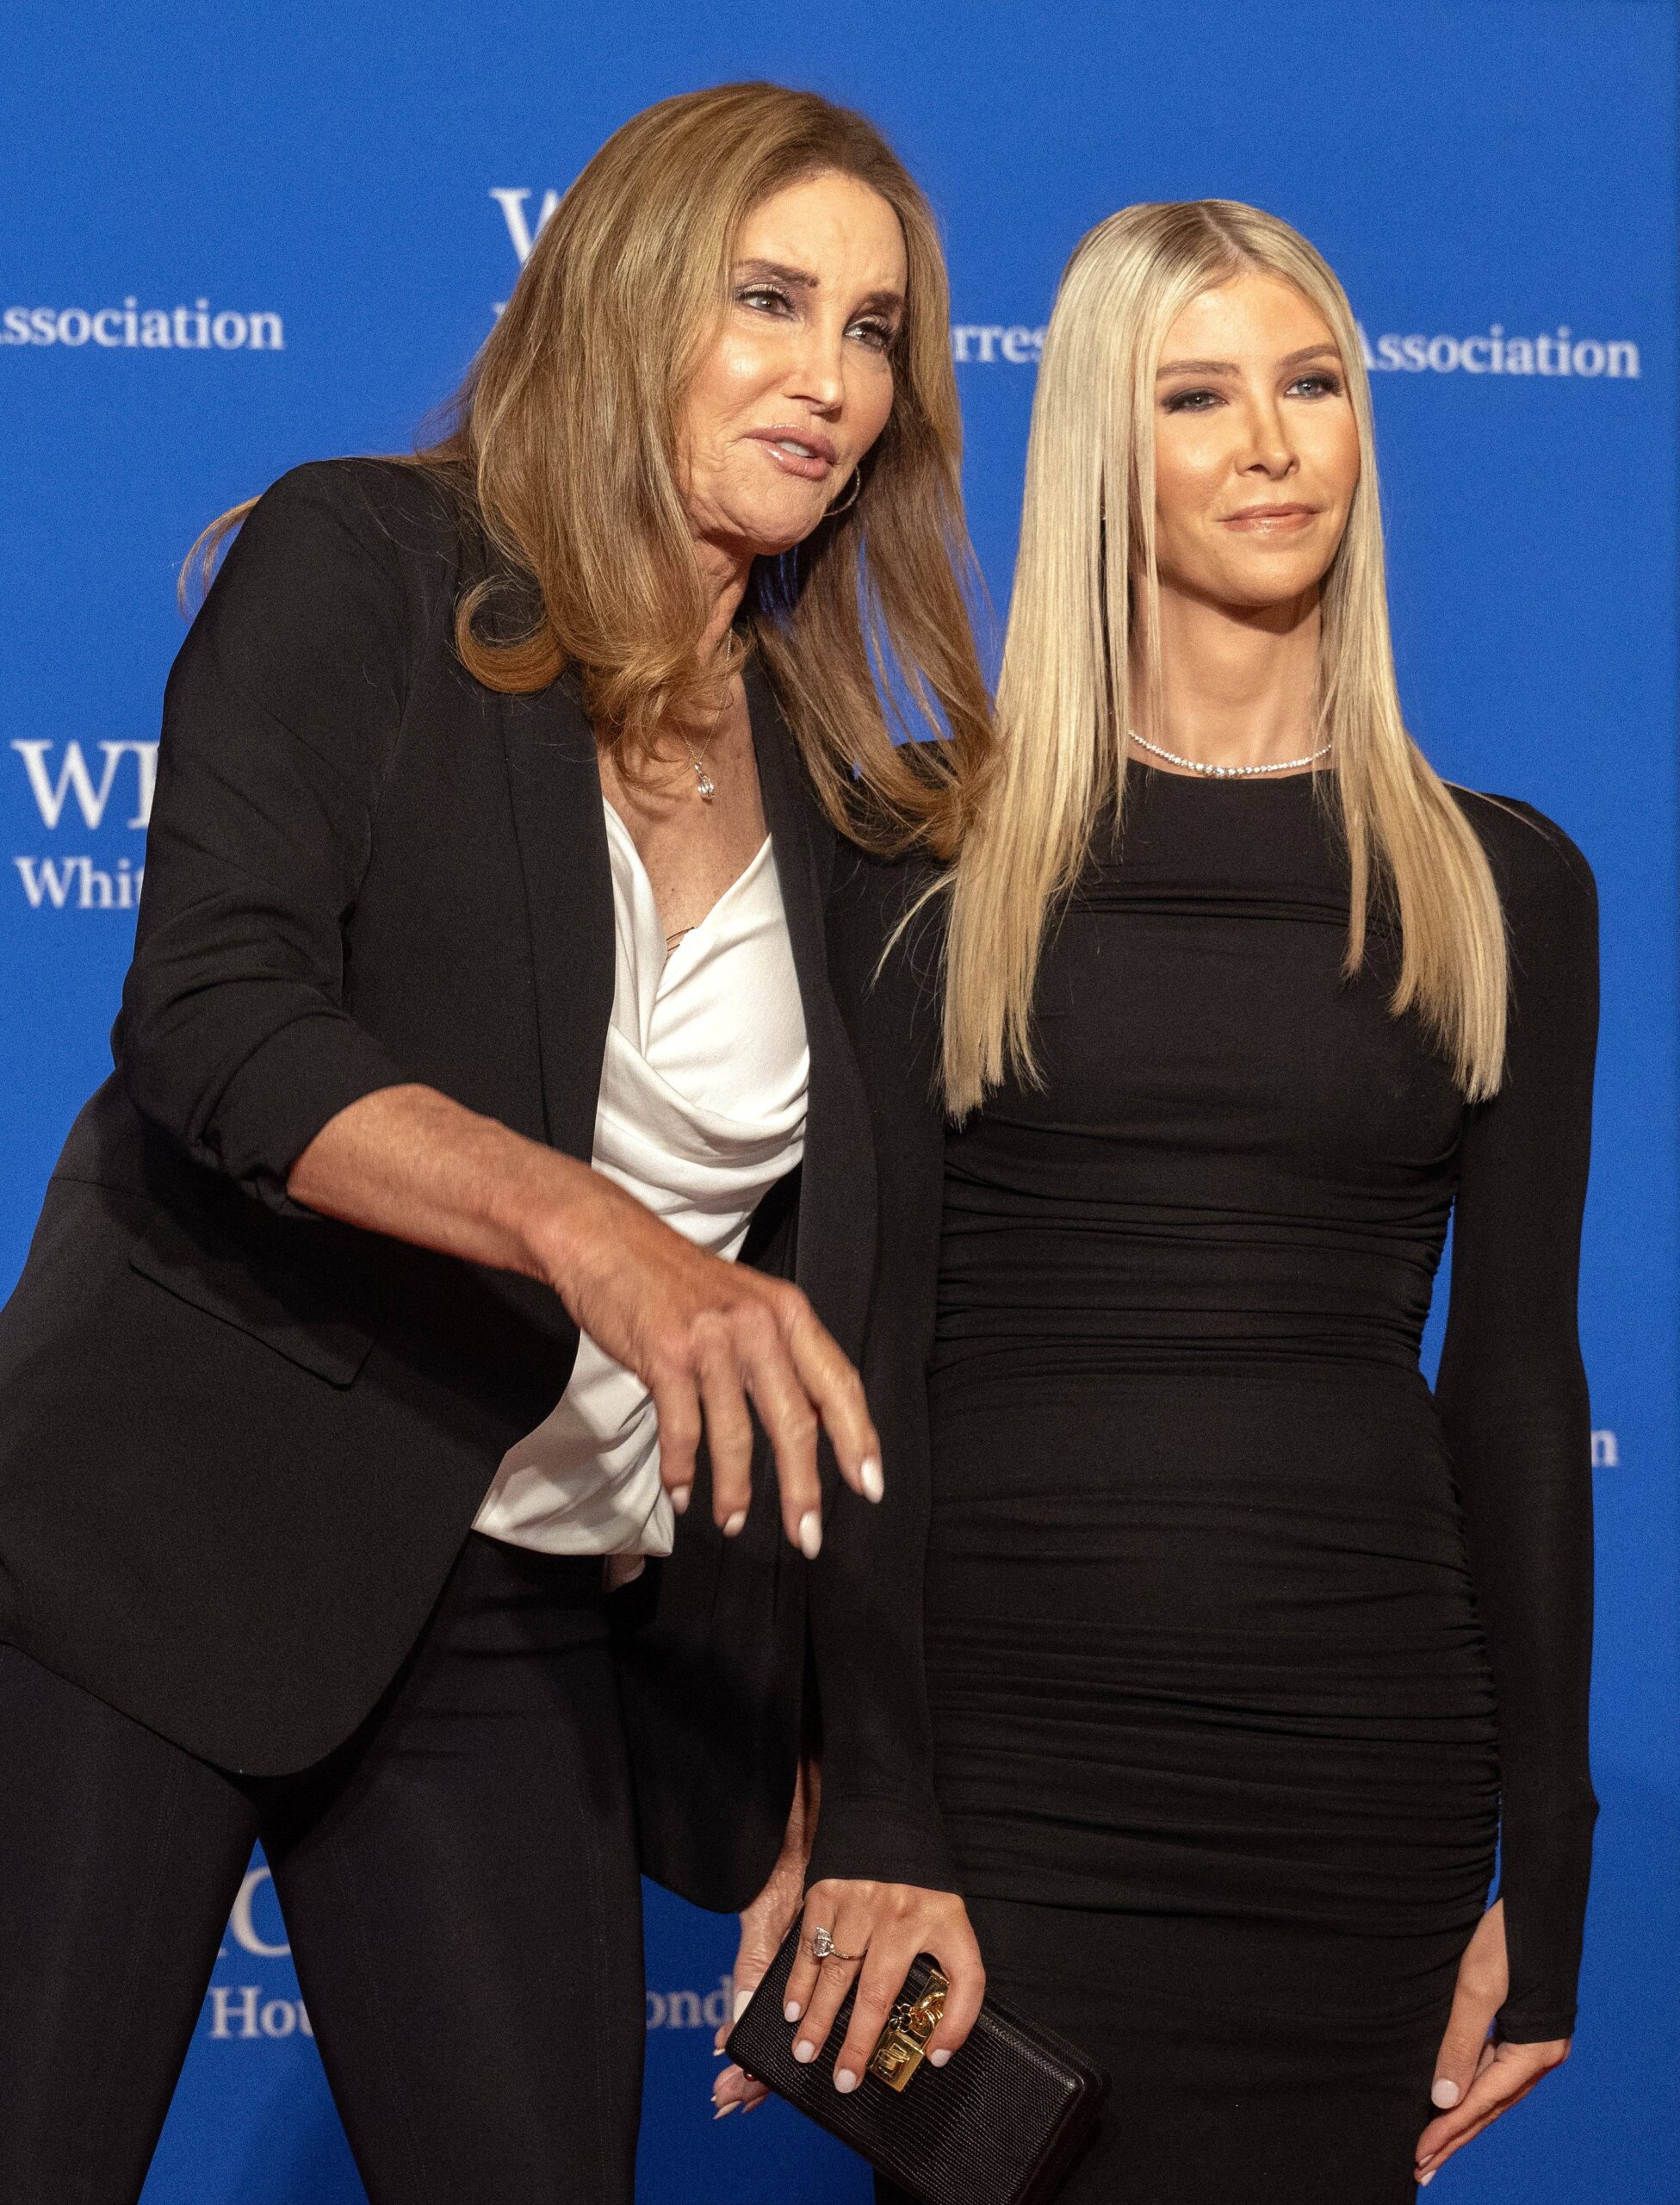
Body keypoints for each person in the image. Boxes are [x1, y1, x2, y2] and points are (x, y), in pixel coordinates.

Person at [0, 82, 988, 2205]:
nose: (828, 379)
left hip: (526, 1593)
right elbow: (213, 1017)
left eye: (877, 330)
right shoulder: (365, 561)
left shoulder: (853, 796)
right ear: (629, 291)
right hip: (147, 1537)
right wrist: (601, 1239)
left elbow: (855, 1322)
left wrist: (849, 1776)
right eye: (770, 298)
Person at [805, 200, 1596, 2201]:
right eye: (1199, 393)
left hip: (1357, 1784)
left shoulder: (1505, 884)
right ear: (1101, 446)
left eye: (1311, 383)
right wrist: (876, 1813)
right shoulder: (921, 858)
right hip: (1001, 1798)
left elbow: (1511, 1384)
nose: (1272, 441)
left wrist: (1550, 1864)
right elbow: (862, 1365)